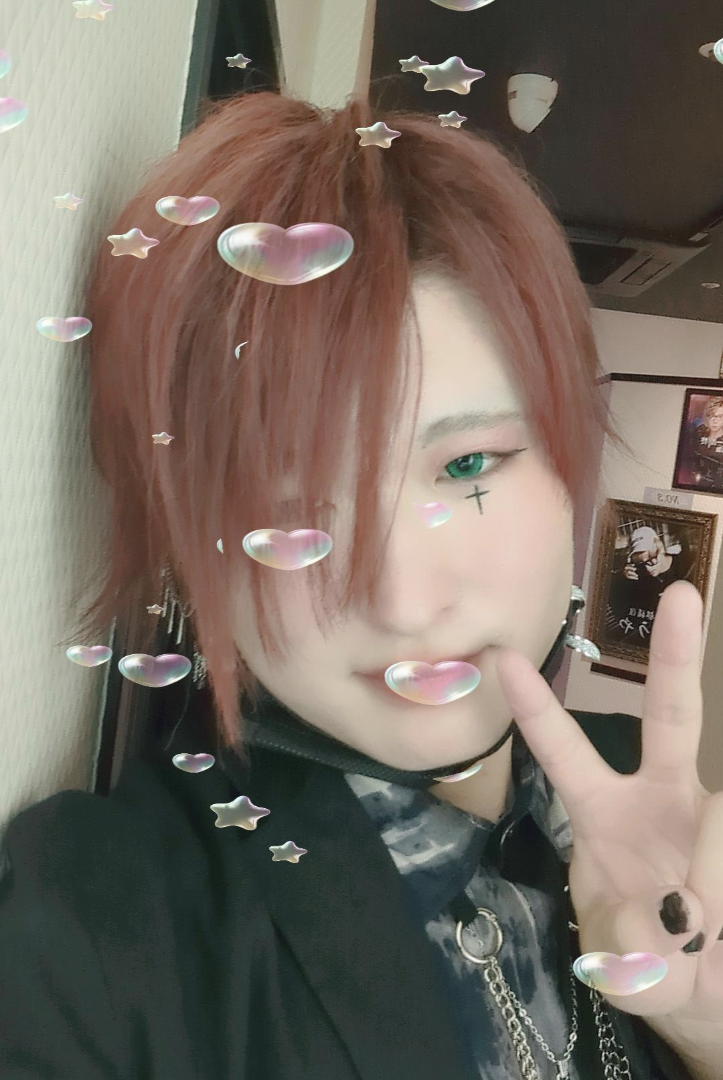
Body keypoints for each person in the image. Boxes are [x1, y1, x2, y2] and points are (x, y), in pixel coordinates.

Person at [0, 91, 702, 1080]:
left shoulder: (655, 805)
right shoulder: (97, 929)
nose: (404, 601)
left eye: (468, 466)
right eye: (288, 518)